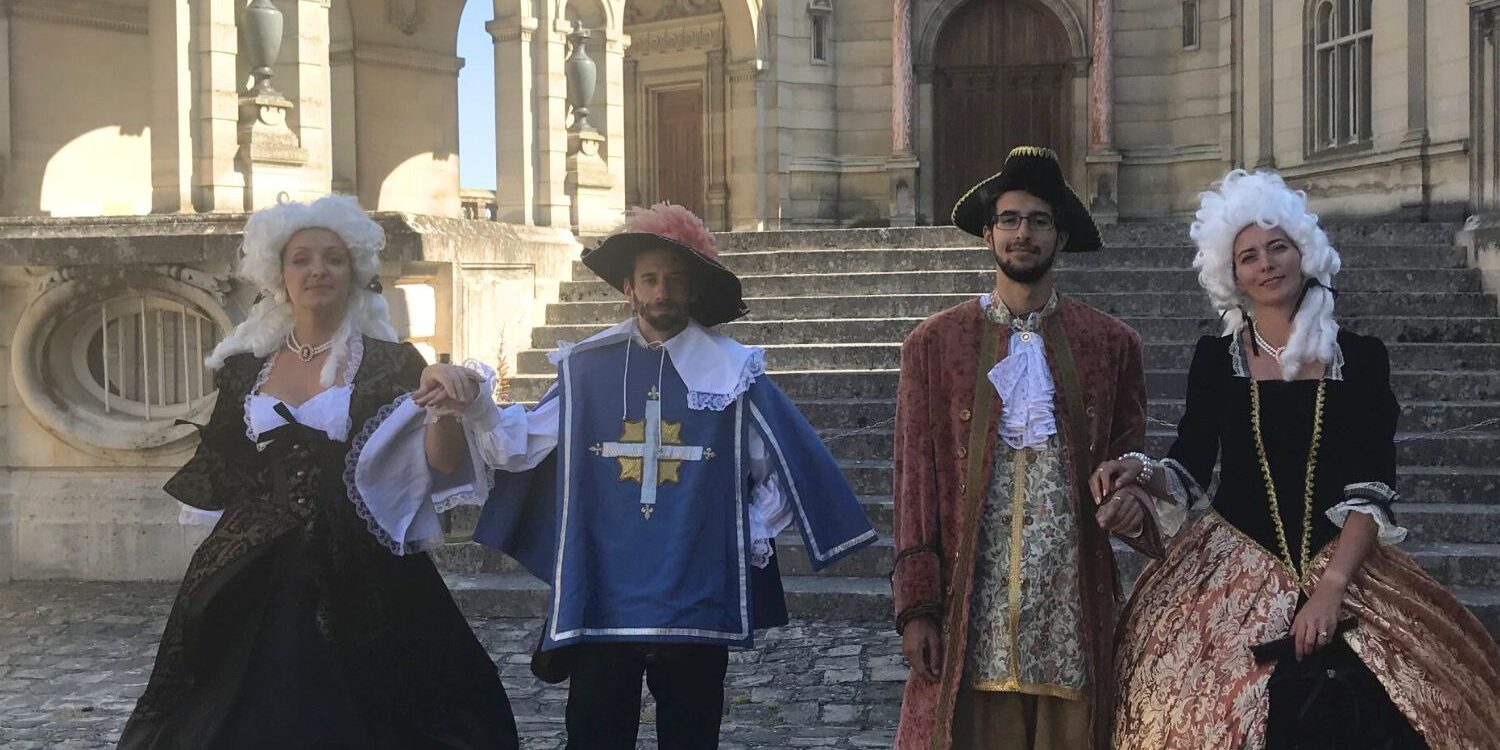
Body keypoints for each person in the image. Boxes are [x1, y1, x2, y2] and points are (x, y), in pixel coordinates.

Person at [410, 202, 876, 750]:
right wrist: (476, 402)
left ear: (693, 290)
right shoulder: (586, 368)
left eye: (675, 280)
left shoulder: (731, 370)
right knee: (596, 734)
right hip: (605, 589)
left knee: (690, 734)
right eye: (650, 279)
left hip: (695, 590)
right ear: (628, 287)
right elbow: (520, 447)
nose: (662, 293)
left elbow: (779, 467)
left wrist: (742, 529)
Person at [1098, 169, 1500, 750]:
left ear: (1304, 252)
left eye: (1278, 247)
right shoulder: (1217, 359)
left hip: (1344, 560)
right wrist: (1141, 466)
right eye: (1250, 256)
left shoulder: (1359, 358)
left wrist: (1332, 587)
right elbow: (1189, 464)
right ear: (1231, 276)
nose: (1267, 264)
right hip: (1231, 556)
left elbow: (1372, 485)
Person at [118, 195, 519, 750]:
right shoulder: (245, 370)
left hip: (363, 562)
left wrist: (444, 405)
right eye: (301, 258)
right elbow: (226, 467)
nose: (317, 270)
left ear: (353, 268)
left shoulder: (392, 361)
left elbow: (442, 464)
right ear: (279, 274)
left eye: (332, 257)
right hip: (253, 561)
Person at [890, 146, 1161, 750]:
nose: (1023, 234)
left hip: (1068, 603)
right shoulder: (934, 345)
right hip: (972, 606)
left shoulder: (1111, 345)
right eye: (1010, 220)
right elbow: (915, 484)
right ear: (988, 233)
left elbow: (1131, 464)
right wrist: (917, 607)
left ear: (1059, 236)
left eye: (1039, 221)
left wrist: (1129, 501)